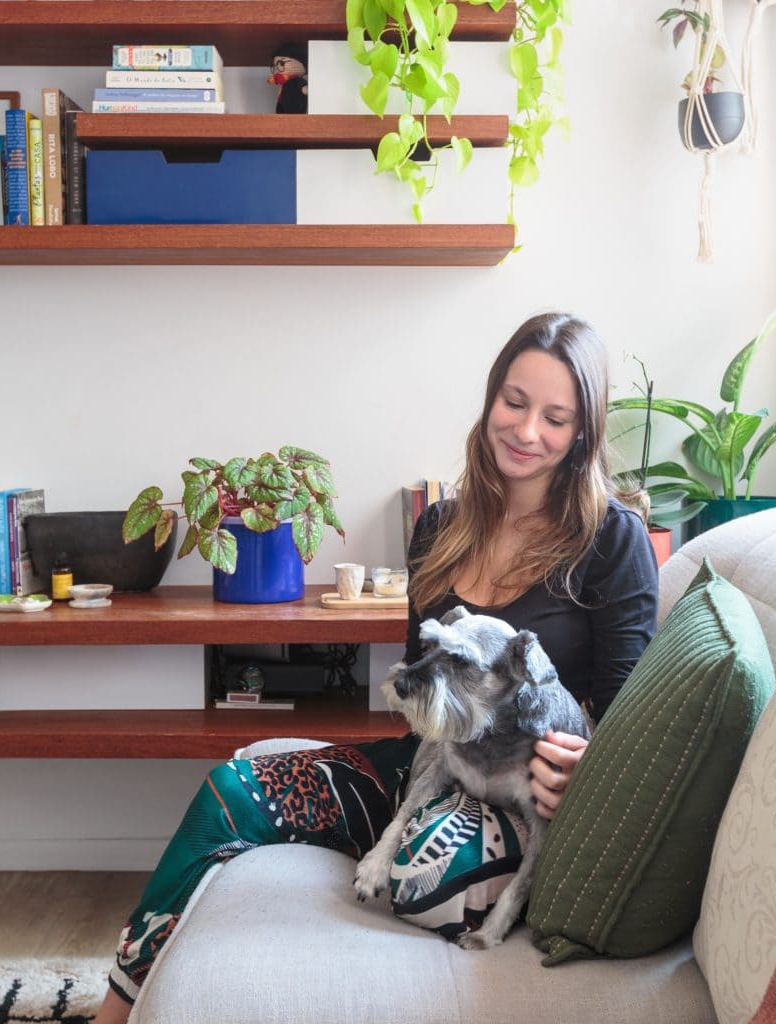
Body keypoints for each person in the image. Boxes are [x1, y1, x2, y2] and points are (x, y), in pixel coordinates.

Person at [94, 312, 658, 1023]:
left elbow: (629, 713)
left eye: (556, 417)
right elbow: (417, 688)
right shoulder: (439, 528)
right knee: (230, 789)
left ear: (582, 433)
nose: (526, 431)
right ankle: (114, 1009)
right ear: (491, 399)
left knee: (426, 872)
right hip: (424, 768)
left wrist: (585, 762)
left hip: (525, 799)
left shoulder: (613, 539)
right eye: (514, 403)